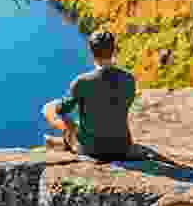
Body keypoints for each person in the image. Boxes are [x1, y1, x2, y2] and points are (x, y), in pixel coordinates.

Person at [41, 30, 136, 160]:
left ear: (92, 53)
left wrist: (59, 104)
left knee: (49, 109)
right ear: (113, 50)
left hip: (91, 149)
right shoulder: (129, 79)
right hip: (122, 146)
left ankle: (65, 142)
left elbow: (62, 109)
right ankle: (63, 142)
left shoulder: (82, 82)